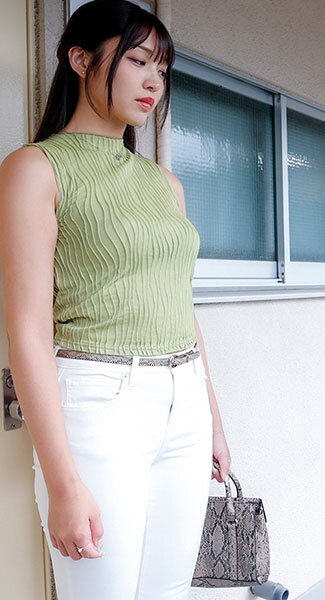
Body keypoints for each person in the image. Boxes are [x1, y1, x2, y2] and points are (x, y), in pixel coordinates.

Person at [0, 1, 231, 598]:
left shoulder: (165, 184)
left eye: (163, 68)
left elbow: (179, 305)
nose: (155, 81)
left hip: (184, 402)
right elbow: (28, 332)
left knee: (169, 591)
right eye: (138, 61)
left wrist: (212, 421)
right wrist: (62, 483)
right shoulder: (35, 169)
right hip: (98, 405)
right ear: (81, 60)